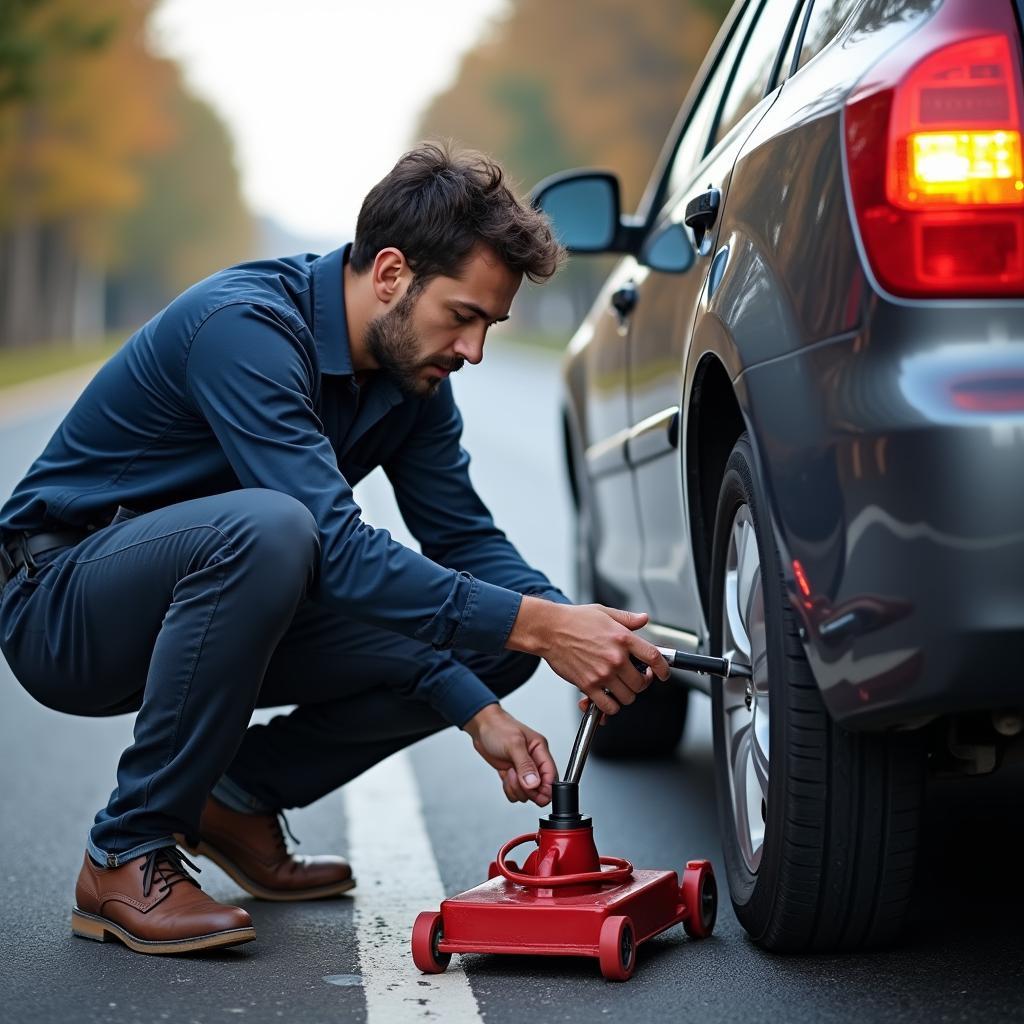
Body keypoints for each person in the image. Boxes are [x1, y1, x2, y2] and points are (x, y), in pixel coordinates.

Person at [0, 142, 670, 956]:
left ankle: (236, 800)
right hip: (63, 600)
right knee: (277, 529)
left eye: (488, 326)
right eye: (461, 316)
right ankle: (124, 854)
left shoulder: (414, 382)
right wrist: (533, 628)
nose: (473, 351)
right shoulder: (245, 329)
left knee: (498, 646)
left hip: (224, 600)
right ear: (390, 274)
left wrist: (572, 628)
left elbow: (462, 537)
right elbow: (332, 549)